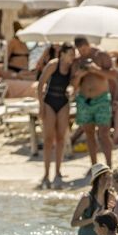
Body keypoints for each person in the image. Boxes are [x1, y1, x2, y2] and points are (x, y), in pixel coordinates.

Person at [37, 43, 75, 189]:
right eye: (70, 54)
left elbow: (74, 83)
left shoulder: (72, 67)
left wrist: (73, 90)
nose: (72, 57)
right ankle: (46, 173)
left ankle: (58, 171)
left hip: (63, 101)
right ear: (62, 53)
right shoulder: (54, 64)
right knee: (48, 139)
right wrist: (41, 105)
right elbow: (41, 84)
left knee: (61, 138)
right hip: (49, 101)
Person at [75, 52, 115, 168]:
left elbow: (113, 75)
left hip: (101, 99)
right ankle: (94, 165)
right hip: (84, 101)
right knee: (89, 134)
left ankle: (109, 165)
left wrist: (96, 69)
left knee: (104, 134)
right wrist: (80, 74)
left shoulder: (101, 55)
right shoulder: (77, 60)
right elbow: (73, 84)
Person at [71, 163, 116, 235]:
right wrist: (92, 219)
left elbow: (117, 221)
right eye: (106, 177)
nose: (110, 180)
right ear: (98, 180)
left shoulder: (111, 197)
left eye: (110, 177)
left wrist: (113, 212)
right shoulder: (86, 198)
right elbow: (73, 223)